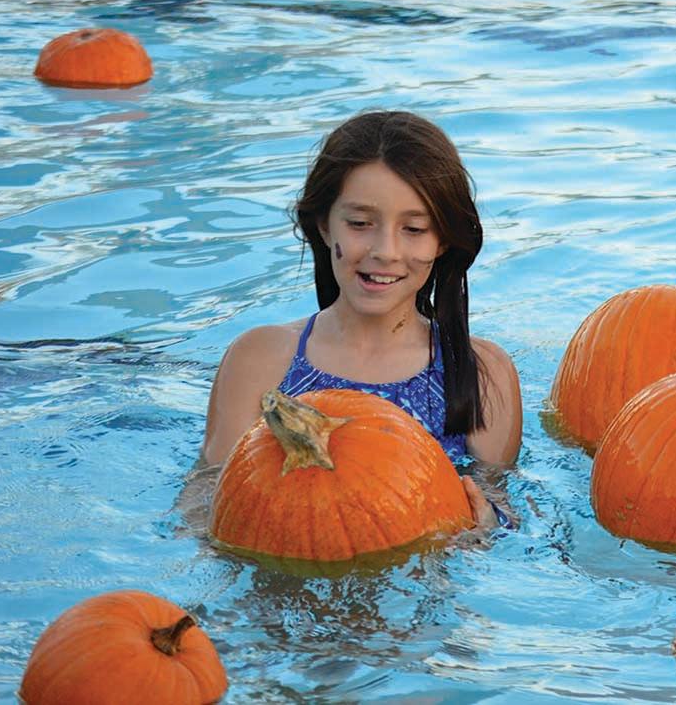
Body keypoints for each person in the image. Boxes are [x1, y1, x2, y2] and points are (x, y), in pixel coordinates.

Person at [200, 110, 522, 526]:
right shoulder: (260, 360)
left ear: (442, 241)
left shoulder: (480, 374)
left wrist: (485, 528)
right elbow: (207, 507)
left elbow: (503, 513)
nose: (385, 250)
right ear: (324, 226)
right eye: (360, 223)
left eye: (414, 229)